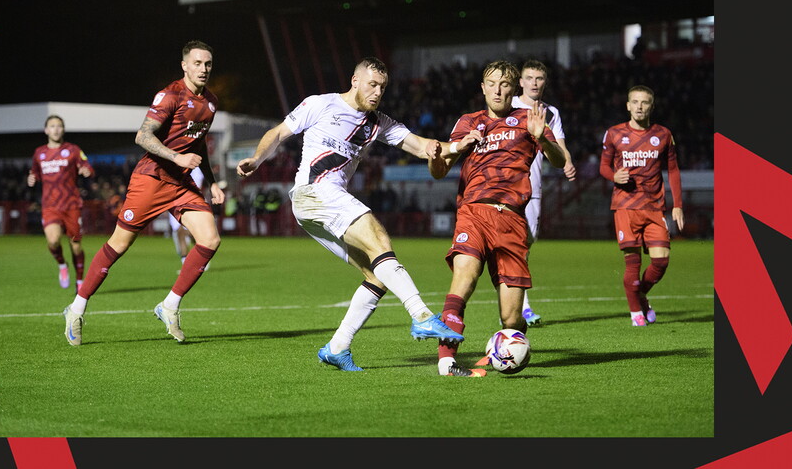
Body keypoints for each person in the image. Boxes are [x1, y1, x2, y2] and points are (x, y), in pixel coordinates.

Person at [236, 56, 463, 372]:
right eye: (372, 84)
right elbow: (278, 132)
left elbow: (422, 145)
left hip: (318, 205)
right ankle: (422, 316)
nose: (377, 92)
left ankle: (337, 347)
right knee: (379, 238)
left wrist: (455, 146)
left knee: (377, 274)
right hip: (315, 192)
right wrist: (258, 159)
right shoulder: (321, 104)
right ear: (355, 80)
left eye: (382, 87)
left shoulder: (378, 122)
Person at [62, 40, 225, 346]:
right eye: (198, 63)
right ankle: (77, 308)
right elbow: (142, 135)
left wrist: (213, 181)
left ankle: (169, 305)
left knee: (210, 239)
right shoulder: (171, 94)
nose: (203, 69)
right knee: (119, 245)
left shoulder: (211, 102)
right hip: (152, 178)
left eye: (208, 64)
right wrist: (177, 158)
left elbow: (198, 142)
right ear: (185, 65)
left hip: (182, 183)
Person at [428, 60, 565, 377]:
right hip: (473, 213)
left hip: (512, 220)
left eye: (505, 84)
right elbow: (439, 171)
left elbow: (559, 160)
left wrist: (542, 138)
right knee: (464, 279)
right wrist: (444, 154)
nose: (498, 90)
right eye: (492, 83)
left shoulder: (528, 120)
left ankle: (508, 350)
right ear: (483, 87)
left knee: (512, 318)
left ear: (515, 89)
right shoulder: (468, 122)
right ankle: (447, 362)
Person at [599, 84, 683, 326]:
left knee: (661, 261)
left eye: (644, 102)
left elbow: (673, 170)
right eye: (635, 102)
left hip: (655, 207)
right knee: (632, 263)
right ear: (627, 105)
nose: (639, 106)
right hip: (625, 206)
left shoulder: (664, 135)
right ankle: (636, 312)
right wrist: (614, 176)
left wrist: (678, 204)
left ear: (651, 106)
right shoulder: (614, 133)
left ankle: (640, 294)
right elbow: (603, 167)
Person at [511, 59, 576, 326]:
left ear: (544, 82)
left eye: (539, 78)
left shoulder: (551, 112)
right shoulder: (510, 106)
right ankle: (521, 306)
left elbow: (560, 145)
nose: (535, 83)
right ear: (521, 82)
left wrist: (568, 162)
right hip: (507, 186)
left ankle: (514, 295)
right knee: (517, 245)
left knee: (528, 241)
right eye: (530, 78)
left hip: (534, 186)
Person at [27, 115, 94, 290]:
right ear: (46, 130)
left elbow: (87, 166)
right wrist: (32, 179)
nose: (56, 129)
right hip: (50, 206)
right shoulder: (39, 153)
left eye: (59, 126)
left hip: (71, 205)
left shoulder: (73, 150)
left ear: (63, 129)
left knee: (76, 245)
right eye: (52, 126)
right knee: (53, 241)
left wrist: (86, 170)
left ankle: (80, 282)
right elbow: (34, 173)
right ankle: (62, 265)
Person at [168, 167, 210, 273]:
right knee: (179, 233)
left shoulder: (195, 169)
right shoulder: (173, 164)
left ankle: (203, 257)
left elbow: (198, 186)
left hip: (190, 202)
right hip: (175, 202)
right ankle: (185, 265)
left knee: (192, 234)